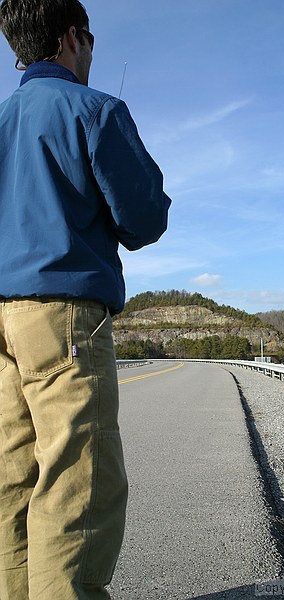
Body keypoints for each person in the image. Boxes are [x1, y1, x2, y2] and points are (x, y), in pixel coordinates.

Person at [0, 0, 171, 598]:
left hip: (1, 321)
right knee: (78, 484)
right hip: (63, 318)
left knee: (14, 479)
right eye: (91, 40)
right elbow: (145, 219)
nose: (93, 54)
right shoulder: (94, 110)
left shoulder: (2, 118)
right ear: (72, 37)